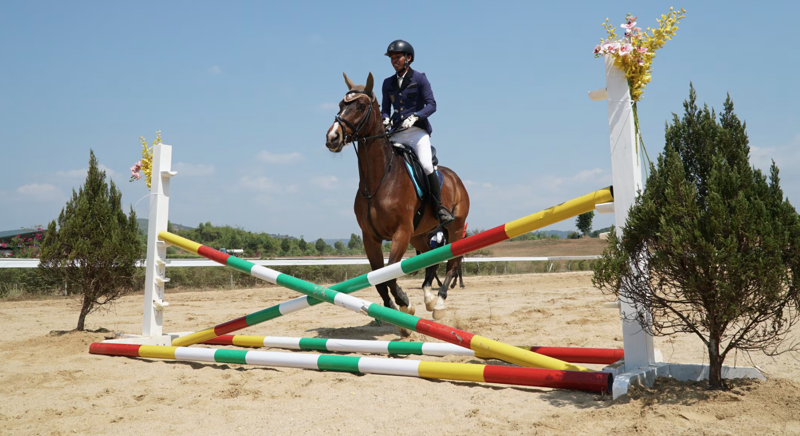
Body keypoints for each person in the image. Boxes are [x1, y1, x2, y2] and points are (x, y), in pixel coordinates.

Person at [381, 39, 454, 225]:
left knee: (427, 166)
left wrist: (416, 116)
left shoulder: (419, 78)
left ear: (408, 58)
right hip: (397, 133)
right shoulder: (387, 83)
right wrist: (385, 118)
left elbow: (432, 105)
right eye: (392, 58)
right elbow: (385, 108)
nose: (394, 61)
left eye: (398, 57)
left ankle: (438, 208)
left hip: (416, 133)